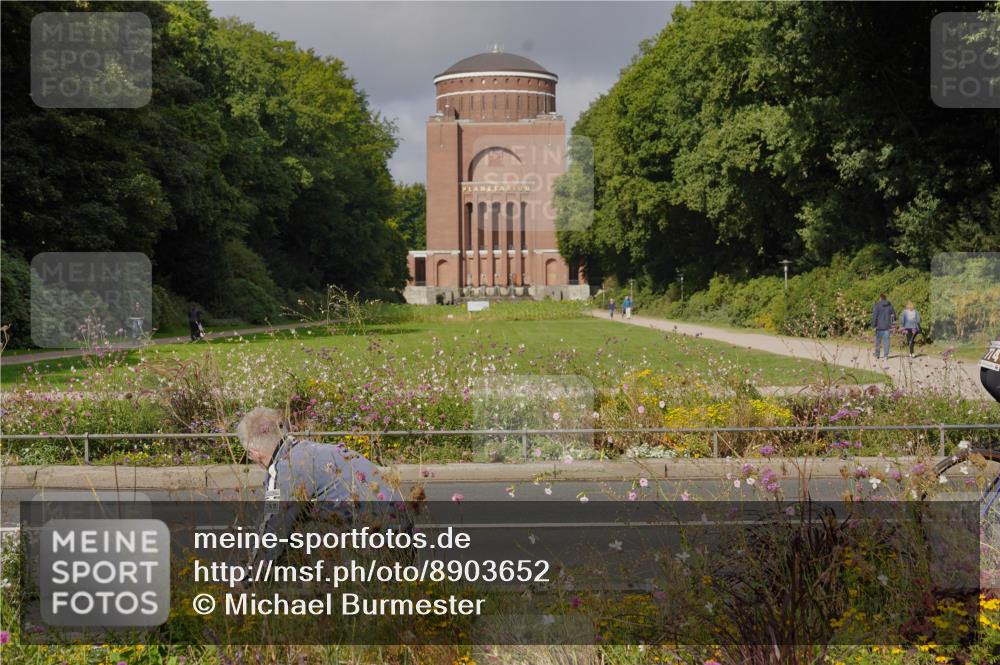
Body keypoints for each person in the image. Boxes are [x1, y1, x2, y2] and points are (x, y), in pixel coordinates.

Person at [237, 406, 405, 561]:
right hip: (401, 531)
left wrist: (246, 581)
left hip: (377, 543)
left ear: (254, 453)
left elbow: (273, 530)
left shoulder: (284, 469)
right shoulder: (311, 450)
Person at [871, 293, 896, 362]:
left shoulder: (877, 305)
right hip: (887, 326)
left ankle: (877, 354)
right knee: (887, 341)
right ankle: (886, 356)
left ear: (880, 298)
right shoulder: (890, 305)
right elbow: (894, 315)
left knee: (878, 341)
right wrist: (893, 325)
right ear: (885, 298)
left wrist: (873, 325)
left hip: (879, 327)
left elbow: (874, 316)